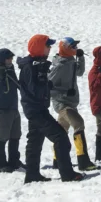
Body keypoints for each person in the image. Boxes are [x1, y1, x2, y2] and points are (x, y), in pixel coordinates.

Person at [18, 34, 83, 183]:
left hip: (37, 109)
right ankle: (67, 174)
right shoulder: (30, 67)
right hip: (36, 110)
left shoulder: (36, 64)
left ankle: (32, 174)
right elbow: (35, 90)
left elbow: (40, 88)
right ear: (40, 47)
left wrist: (46, 80)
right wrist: (45, 81)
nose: (50, 48)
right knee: (61, 138)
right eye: (47, 46)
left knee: (35, 141)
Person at [48, 37, 98, 171]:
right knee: (78, 123)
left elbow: (80, 72)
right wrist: (65, 92)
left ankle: (57, 160)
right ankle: (83, 161)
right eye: (73, 46)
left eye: (76, 46)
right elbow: (48, 87)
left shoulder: (70, 61)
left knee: (62, 131)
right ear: (65, 48)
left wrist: (80, 58)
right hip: (62, 104)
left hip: (70, 102)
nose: (76, 48)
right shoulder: (60, 66)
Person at [0, 48, 24, 173]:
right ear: (2, 59)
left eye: (11, 58)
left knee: (15, 135)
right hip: (3, 110)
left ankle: (14, 160)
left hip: (13, 108)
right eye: (8, 58)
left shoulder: (11, 70)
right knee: (3, 137)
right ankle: (1, 164)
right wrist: (3, 78)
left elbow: (17, 85)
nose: (11, 60)